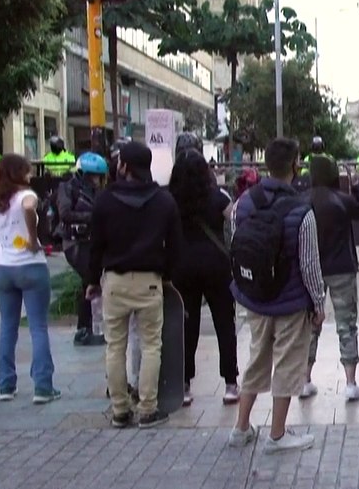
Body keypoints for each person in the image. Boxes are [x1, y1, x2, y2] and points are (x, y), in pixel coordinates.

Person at [228, 138, 325, 452]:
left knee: (257, 357)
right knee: (286, 362)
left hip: (255, 295)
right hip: (291, 299)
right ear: (295, 165)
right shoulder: (302, 209)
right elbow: (310, 263)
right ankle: (277, 434)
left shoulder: (244, 202)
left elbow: (236, 246)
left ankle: (241, 427)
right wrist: (318, 303)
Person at [86, 141, 183, 430]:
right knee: (152, 345)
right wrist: (167, 277)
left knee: (115, 346)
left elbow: (95, 246)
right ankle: (148, 410)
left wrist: (92, 281)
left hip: (114, 282)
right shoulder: (164, 201)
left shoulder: (105, 200)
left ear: (124, 166)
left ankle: (119, 410)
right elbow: (176, 247)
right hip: (150, 283)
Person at [0, 155, 58, 403]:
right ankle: (43, 386)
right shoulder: (26, 196)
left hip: (4, 267)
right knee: (38, 327)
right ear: (17, 174)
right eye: (26, 172)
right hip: (31, 267)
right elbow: (28, 206)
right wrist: (33, 238)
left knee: (7, 327)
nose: (29, 177)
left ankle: (5, 384)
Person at [169, 151, 239, 407]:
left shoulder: (170, 199)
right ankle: (231, 384)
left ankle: (185, 385)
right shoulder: (218, 198)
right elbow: (235, 221)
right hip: (216, 266)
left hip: (182, 267)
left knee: (187, 326)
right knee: (224, 323)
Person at [302, 154, 359, 402]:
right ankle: (350, 383)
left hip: (312, 271)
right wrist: (356, 186)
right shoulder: (342, 200)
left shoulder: (302, 201)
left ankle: (305, 379)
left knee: (310, 326)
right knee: (346, 325)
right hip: (342, 269)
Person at [57, 152, 108, 346]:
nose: (97, 181)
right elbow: (65, 213)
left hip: (90, 240)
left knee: (88, 282)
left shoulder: (96, 192)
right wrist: (93, 216)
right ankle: (83, 330)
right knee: (89, 280)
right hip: (74, 242)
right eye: (94, 176)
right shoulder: (67, 188)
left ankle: (86, 327)